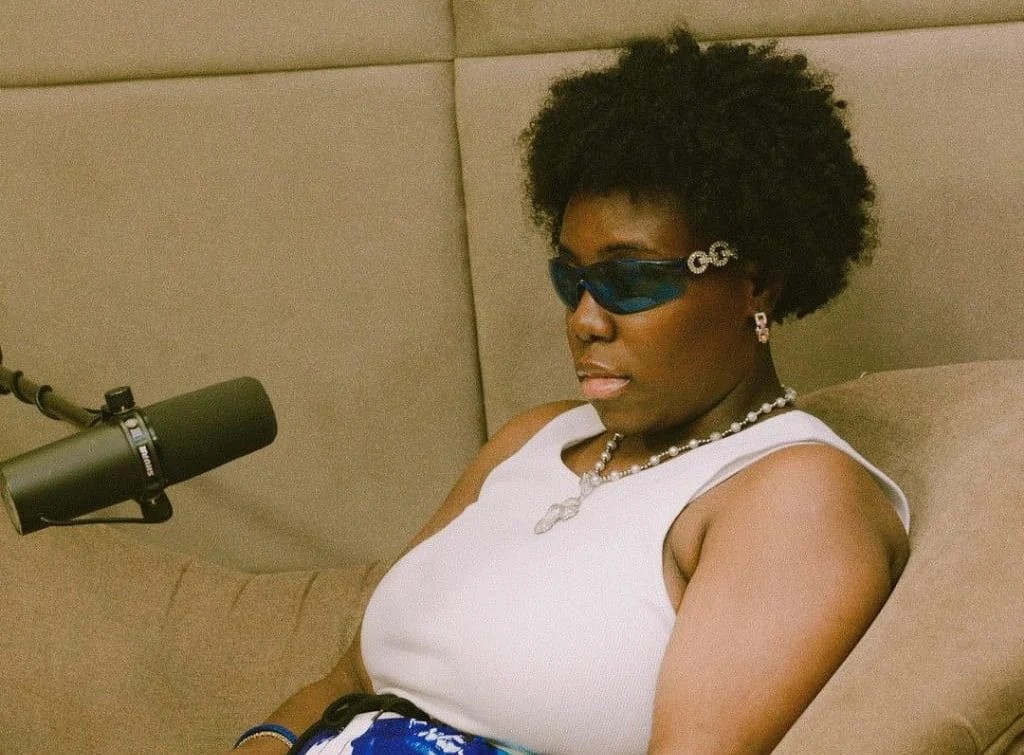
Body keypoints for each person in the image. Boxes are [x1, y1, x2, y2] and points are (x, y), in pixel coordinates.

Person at [232, 27, 910, 755]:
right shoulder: (534, 437)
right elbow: (347, 678)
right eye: (572, 279)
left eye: (630, 279)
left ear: (756, 283)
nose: (585, 319)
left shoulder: (793, 493)